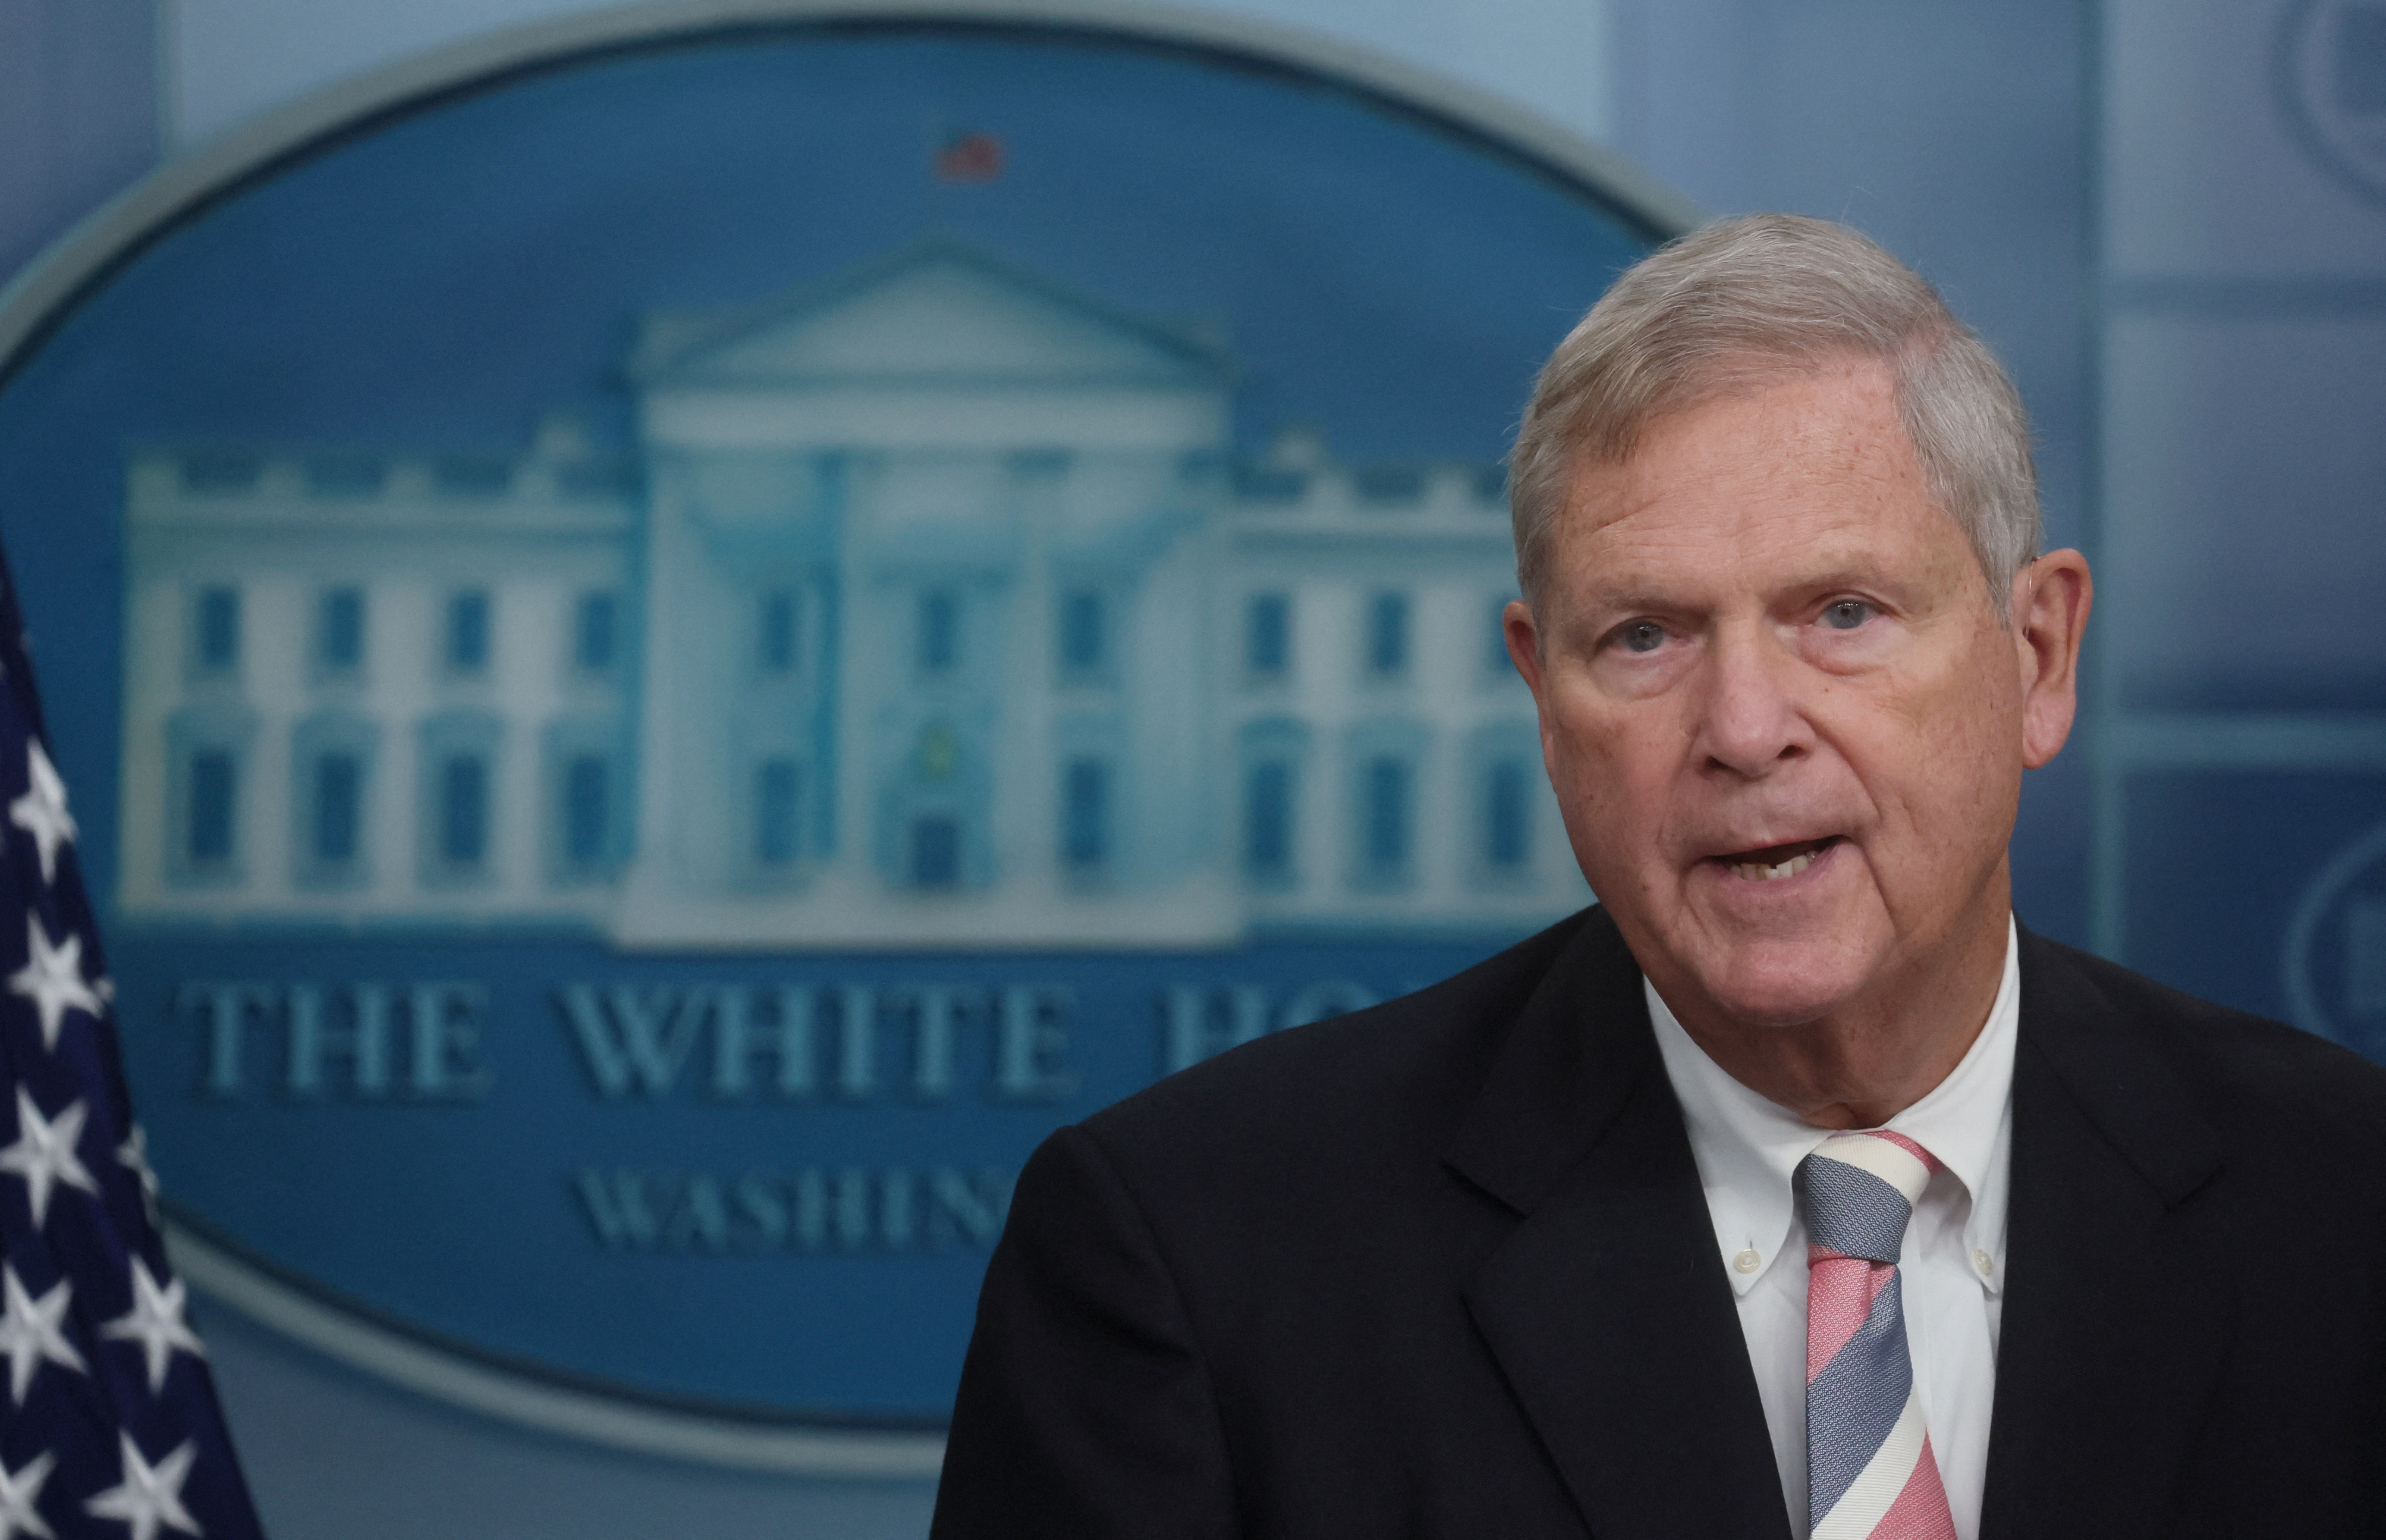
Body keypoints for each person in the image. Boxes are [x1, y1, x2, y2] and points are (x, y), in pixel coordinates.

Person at [928, 215, 2386, 1540]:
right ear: (1540, 697)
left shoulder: (2343, 1208)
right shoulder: (1195, 1256)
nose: (1744, 728)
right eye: (1644, 637)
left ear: (2037, 658)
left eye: (1841, 612)